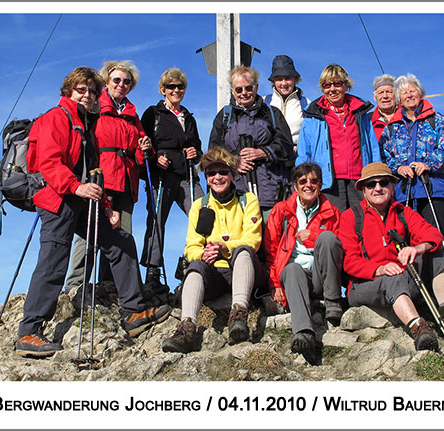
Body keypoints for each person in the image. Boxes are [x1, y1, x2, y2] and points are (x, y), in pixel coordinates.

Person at [15, 67, 171, 358]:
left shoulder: (87, 124)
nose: (87, 95)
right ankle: (29, 331)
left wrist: (108, 208)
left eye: (90, 90)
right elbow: (49, 164)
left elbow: (94, 173)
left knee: (121, 240)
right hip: (57, 199)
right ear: (68, 91)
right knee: (53, 262)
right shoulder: (56, 118)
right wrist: (76, 188)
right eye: (80, 90)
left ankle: (133, 312)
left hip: (81, 198)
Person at [339, 162, 444, 352]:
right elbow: (348, 262)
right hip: (365, 285)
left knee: (438, 255)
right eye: (371, 184)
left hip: (403, 277)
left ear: (392, 186)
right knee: (391, 279)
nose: (378, 188)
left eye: (384, 182)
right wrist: (379, 269)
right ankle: (419, 327)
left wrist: (418, 248)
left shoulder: (403, 212)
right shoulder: (350, 217)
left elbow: (433, 234)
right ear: (363, 190)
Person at [162, 147, 266, 353]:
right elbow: (191, 245)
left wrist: (225, 247)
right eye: (211, 173)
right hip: (215, 273)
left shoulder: (248, 200)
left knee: (244, 250)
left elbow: (253, 239)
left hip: (244, 270)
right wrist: (202, 254)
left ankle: (238, 316)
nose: (217, 177)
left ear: (232, 174)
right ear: (206, 177)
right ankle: (187, 328)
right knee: (195, 266)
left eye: (223, 172)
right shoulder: (199, 206)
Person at [65, 60, 150, 290]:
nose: (122, 85)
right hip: (100, 177)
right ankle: (76, 284)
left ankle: (111, 285)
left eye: (127, 82)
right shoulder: (95, 106)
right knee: (90, 231)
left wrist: (144, 148)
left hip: (126, 181)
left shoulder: (132, 114)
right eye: (117, 80)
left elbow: (140, 150)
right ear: (107, 82)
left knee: (122, 236)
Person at [263, 162, 343, 364]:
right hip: (294, 277)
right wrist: (274, 284)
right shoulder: (281, 211)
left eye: (314, 181)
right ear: (295, 186)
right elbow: (271, 251)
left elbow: (340, 247)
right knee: (292, 268)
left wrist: (313, 236)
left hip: (321, 275)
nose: (309, 185)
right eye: (303, 181)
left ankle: (333, 301)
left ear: (321, 184)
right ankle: (303, 333)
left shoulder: (333, 212)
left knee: (327, 238)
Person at [140, 68, 205, 288]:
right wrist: (155, 158)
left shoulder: (189, 117)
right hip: (162, 175)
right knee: (157, 220)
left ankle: (193, 261)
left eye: (180, 86)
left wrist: (196, 154)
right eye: (171, 87)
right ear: (163, 90)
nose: (176, 90)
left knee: (204, 214)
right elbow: (143, 145)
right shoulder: (152, 114)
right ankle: (152, 271)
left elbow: (197, 148)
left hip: (186, 174)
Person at [208, 65, 295, 222]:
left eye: (248, 88)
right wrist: (234, 162)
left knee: (272, 242)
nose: (244, 93)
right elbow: (213, 153)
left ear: (256, 87)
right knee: (243, 244)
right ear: (233, 91)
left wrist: (264, 153)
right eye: (239, 90)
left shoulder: (271, 113)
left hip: (271, 193)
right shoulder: (224, 116)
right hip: (237, 195)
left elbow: (286, 145)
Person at [380, 73, 444, 239]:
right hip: (404, 192)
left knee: (433, 238)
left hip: (433, 190)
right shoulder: (392, 127)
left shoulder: (437, 120)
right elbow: (383, 155)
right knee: (407, 240)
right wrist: (398, 168)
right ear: (399, 99)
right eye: (404, 93)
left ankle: (439, 265)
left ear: (420, 93)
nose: (409, 95)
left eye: (412, 91)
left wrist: (428, 164)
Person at [296, 64, 382, 213]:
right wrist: (302, 179)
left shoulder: (360, 112)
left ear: (346, 85)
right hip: (329, 183)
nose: (332, 89)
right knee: (334, 226)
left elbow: (372, 147)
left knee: (363, 223)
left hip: (359, 180)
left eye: (337, 84)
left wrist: (377, 175)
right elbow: (304, 152)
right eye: (327, 85)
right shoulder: (313, 115)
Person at [264, 55, 310, 153]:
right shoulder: (264, 102)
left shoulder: (306, 104)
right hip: (271, 158)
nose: (284, 83)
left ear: (295, 79)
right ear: (273, 81)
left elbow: (311, 135)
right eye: (279, 79)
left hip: (297, 158)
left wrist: (300, 148)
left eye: (288, 78)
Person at [370, 73, 397, 141]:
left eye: (389, 92)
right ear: (375, 97)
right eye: (381, 93)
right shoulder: (367, 120)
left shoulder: (408, 115)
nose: (385, 96)